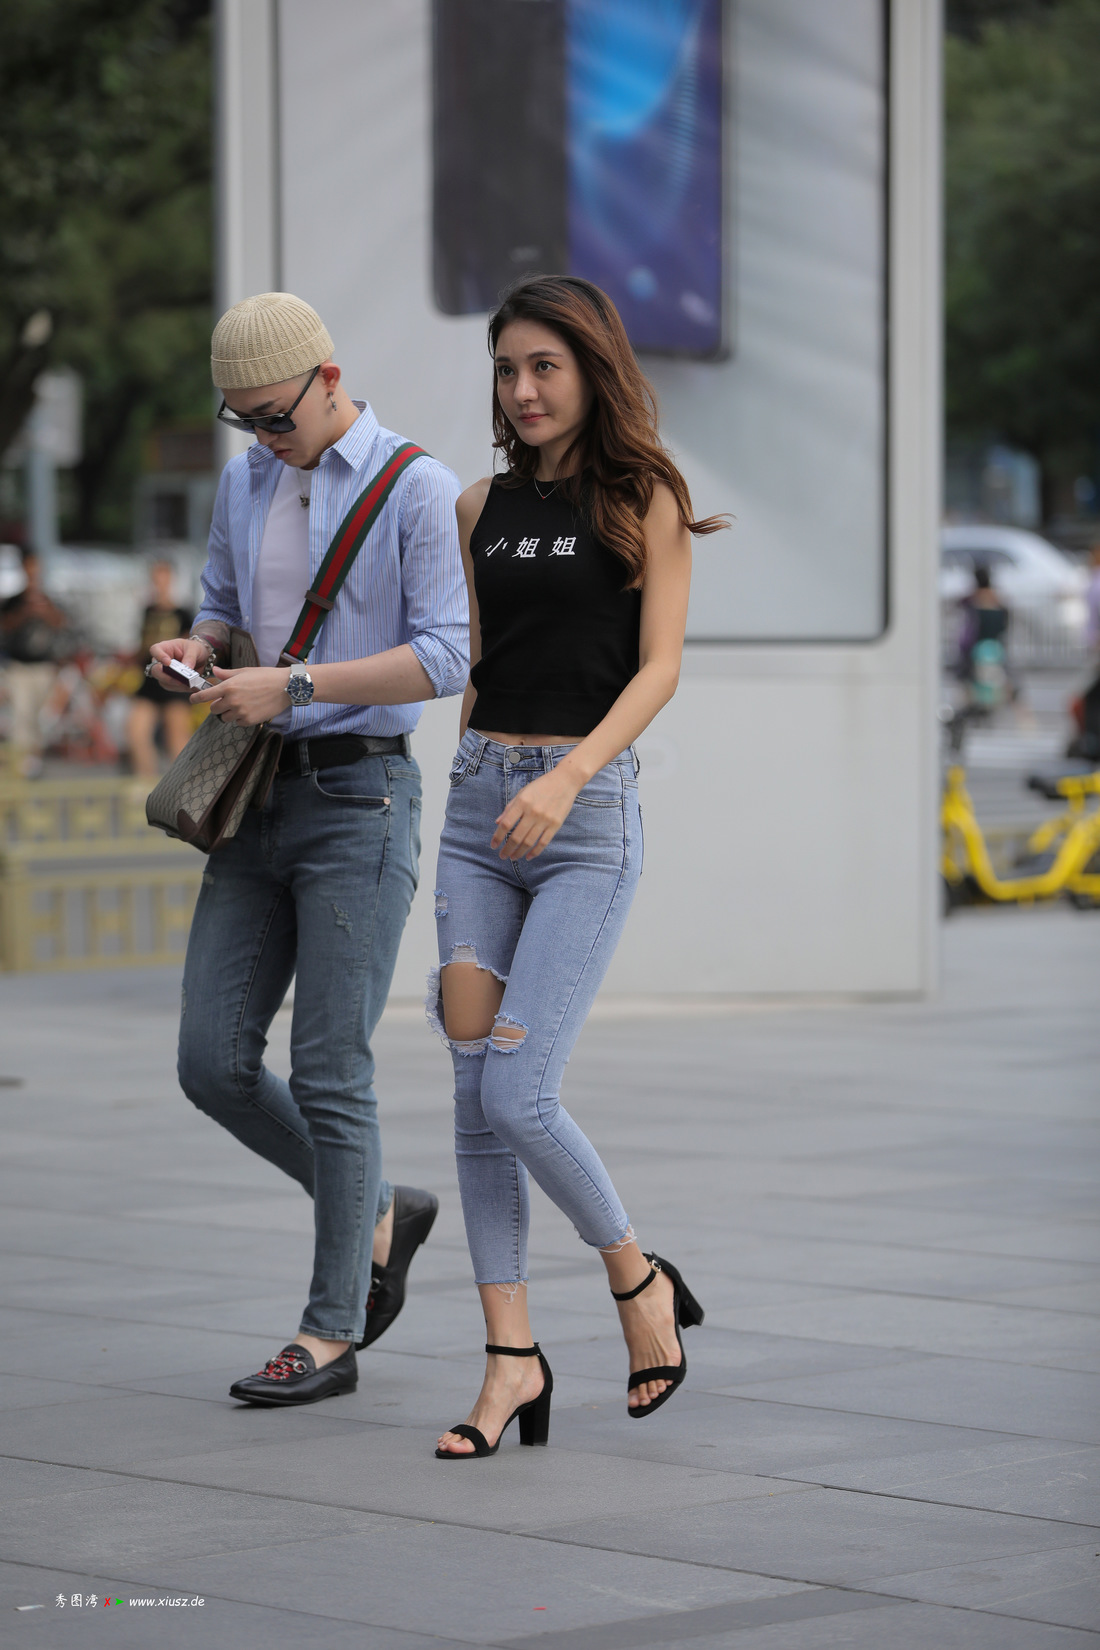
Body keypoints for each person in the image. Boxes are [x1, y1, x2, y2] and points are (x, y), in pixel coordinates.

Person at [148, 292, 468, 1405]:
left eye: (275, 417)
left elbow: (446, 655)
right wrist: (199, 647)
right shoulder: (246, 482)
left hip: (358, 798)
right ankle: (374, 1206)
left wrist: (291, 683)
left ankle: (330, 1332)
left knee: (332, 1071)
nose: (261, 438)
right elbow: (225, 607)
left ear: (329, 379)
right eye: (242, 420)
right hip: (255, 795)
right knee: (211, 1062)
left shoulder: (415, 487)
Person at [428, 275, 725, 1460]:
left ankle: (635, 1278)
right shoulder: (476, 507)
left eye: (543, 366)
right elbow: (479, 665)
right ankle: (509, 1360)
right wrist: (475, 787)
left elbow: (658, 669)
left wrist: (566, 776)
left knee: (517, 1092)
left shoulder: (643, 497)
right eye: (506, 369)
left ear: (592, 370)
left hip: (582, 822)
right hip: (476, 820)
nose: (522, 389)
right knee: (469, 1094)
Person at [0, 549, 71, 777]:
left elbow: (61, 623)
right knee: (21, 716)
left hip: (44, 666)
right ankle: (21, 767)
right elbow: (5, 626)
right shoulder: (14, 601)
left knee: (42, 718)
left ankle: (34, 762)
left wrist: (43, 610)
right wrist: (25, 612)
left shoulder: (47, 599)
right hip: (19, 667)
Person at [127, 560, 194, 777]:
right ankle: (147, 779)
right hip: (149, 677)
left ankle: (181, 785)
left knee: (176, 737)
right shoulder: (148, 610)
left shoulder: (183, 612)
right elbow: (142, 645)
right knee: (136, 731)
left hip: (174, 677)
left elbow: (188, 648)